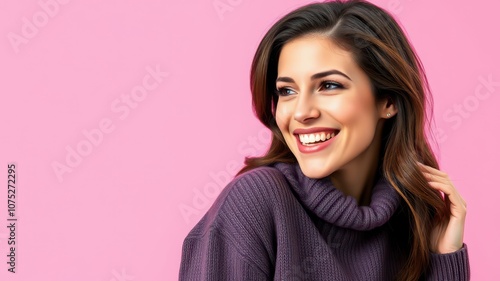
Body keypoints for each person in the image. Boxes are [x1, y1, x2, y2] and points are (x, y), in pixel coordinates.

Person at [179, 0, 470, 280]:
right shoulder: (254, 203)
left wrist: (443, 257)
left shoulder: (412, 220)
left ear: (388, 101)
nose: (302, 112)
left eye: (329, 85)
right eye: (286, 91)